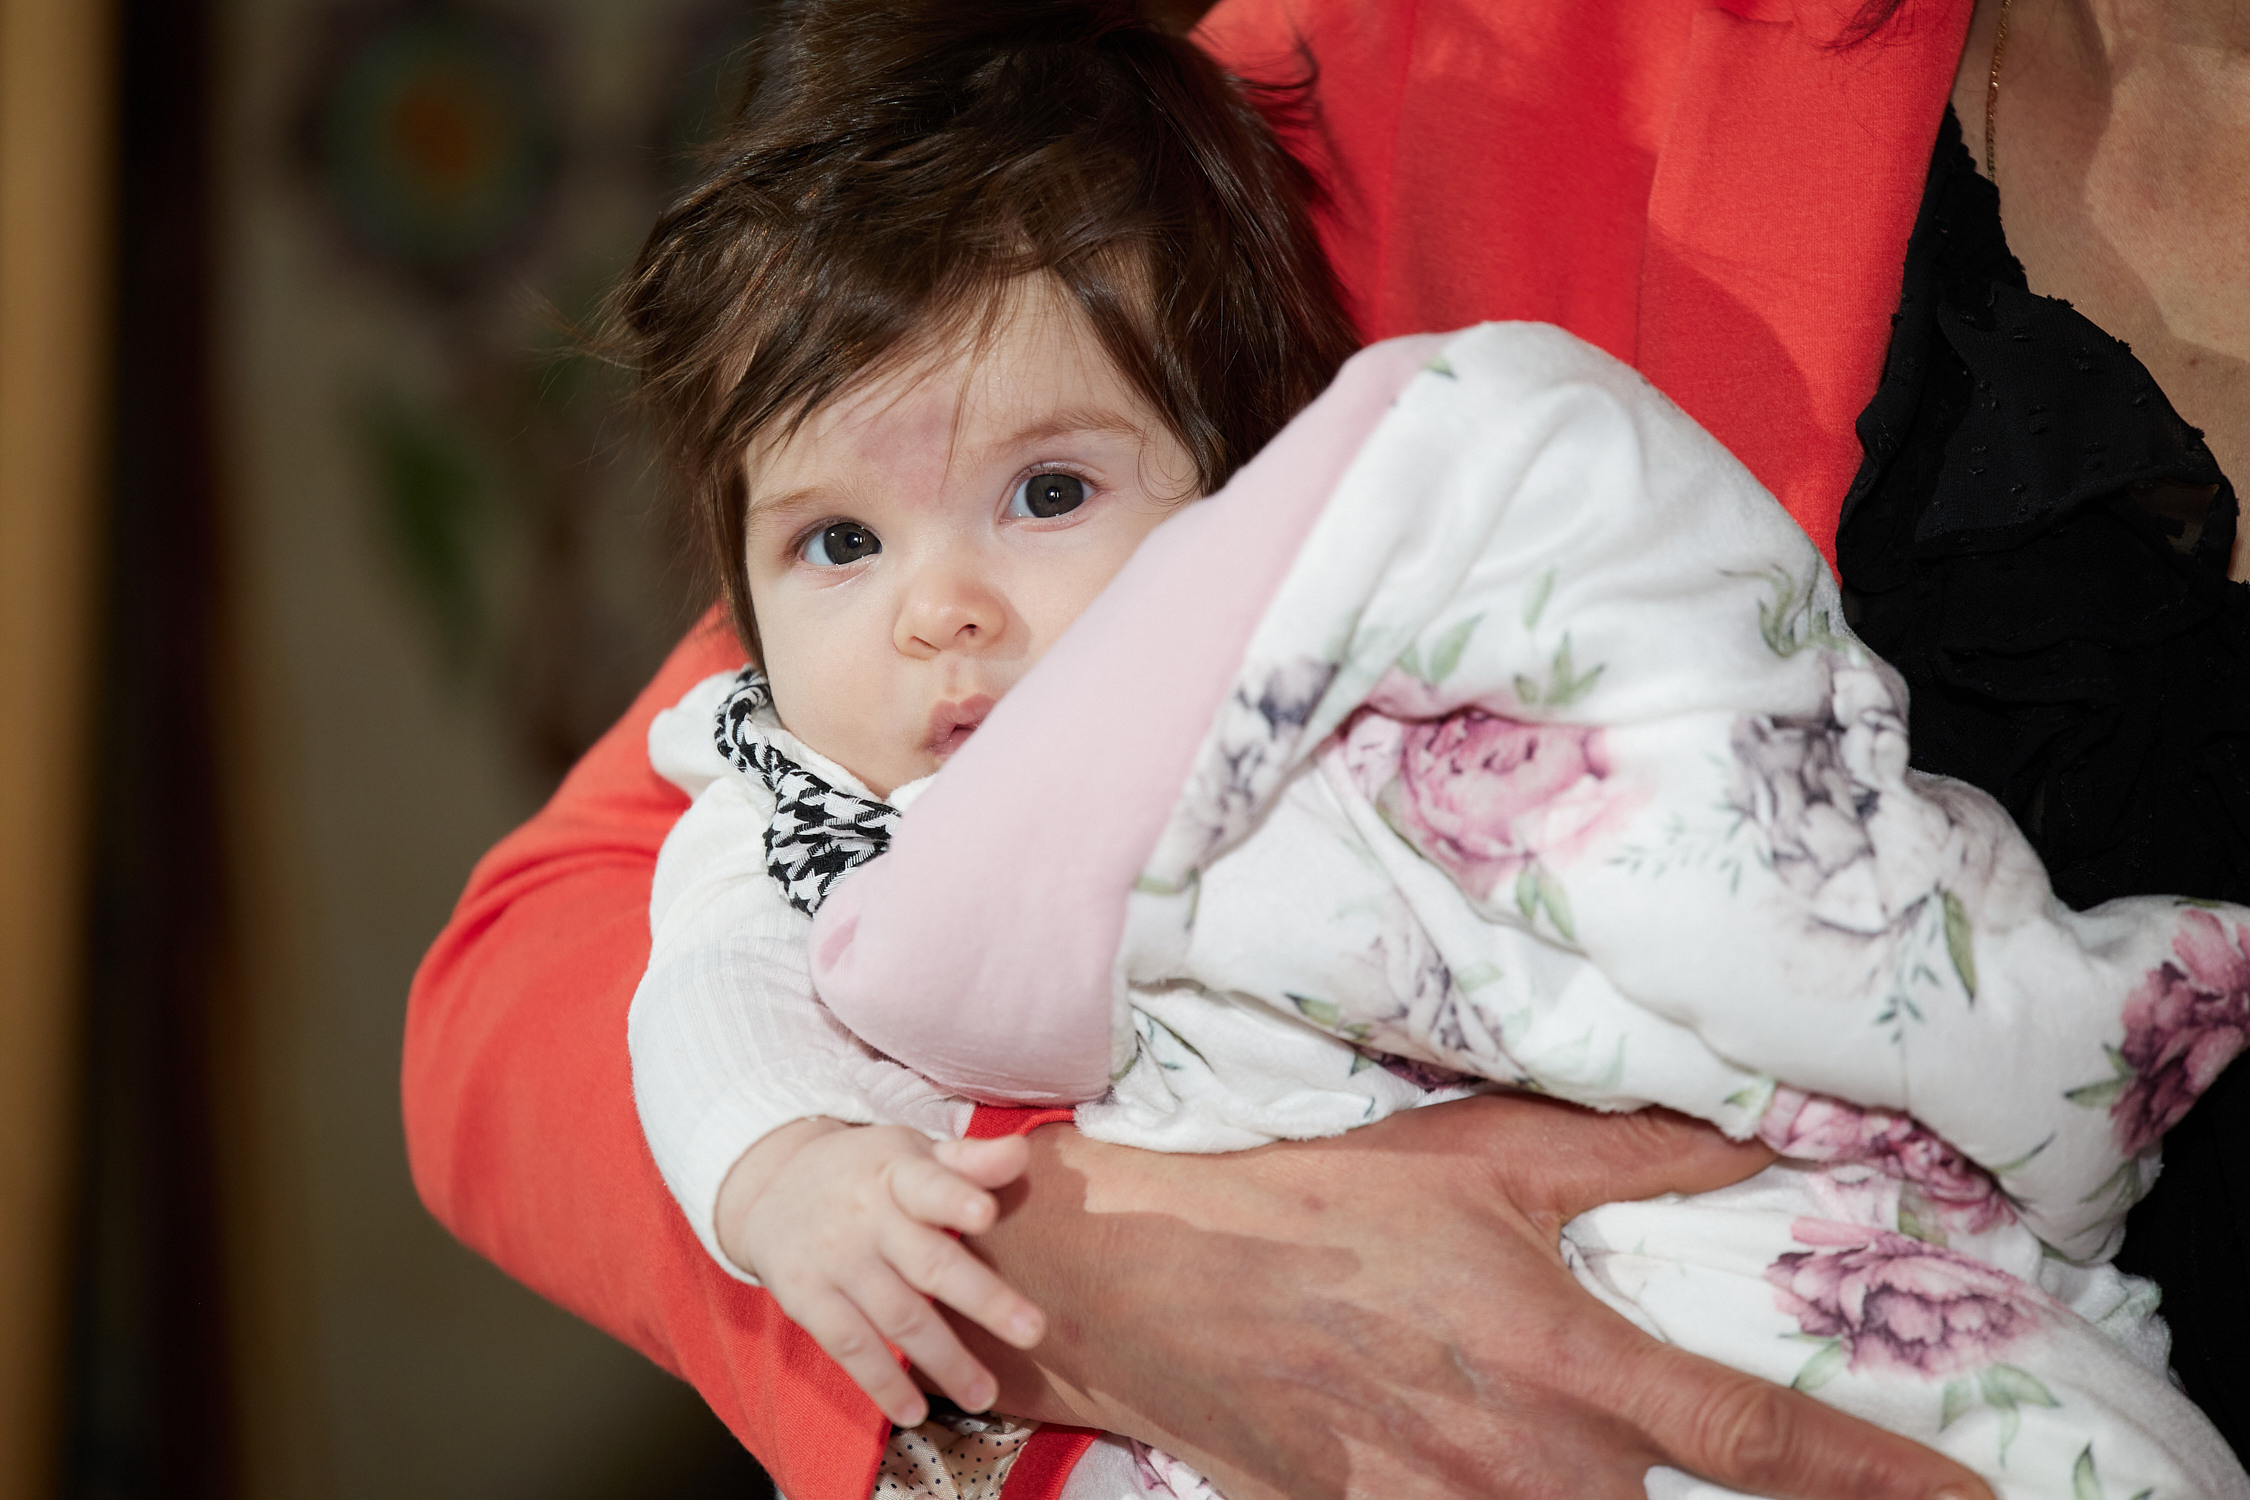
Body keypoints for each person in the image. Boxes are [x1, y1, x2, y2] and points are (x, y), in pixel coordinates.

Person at [403, 0, 2250, 1495]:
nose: (934, 604)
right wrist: (1045, 1270)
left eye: (1049, 493)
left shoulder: (1236, 537)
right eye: (834, 549)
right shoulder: (1383, 92)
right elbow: (561, 973)